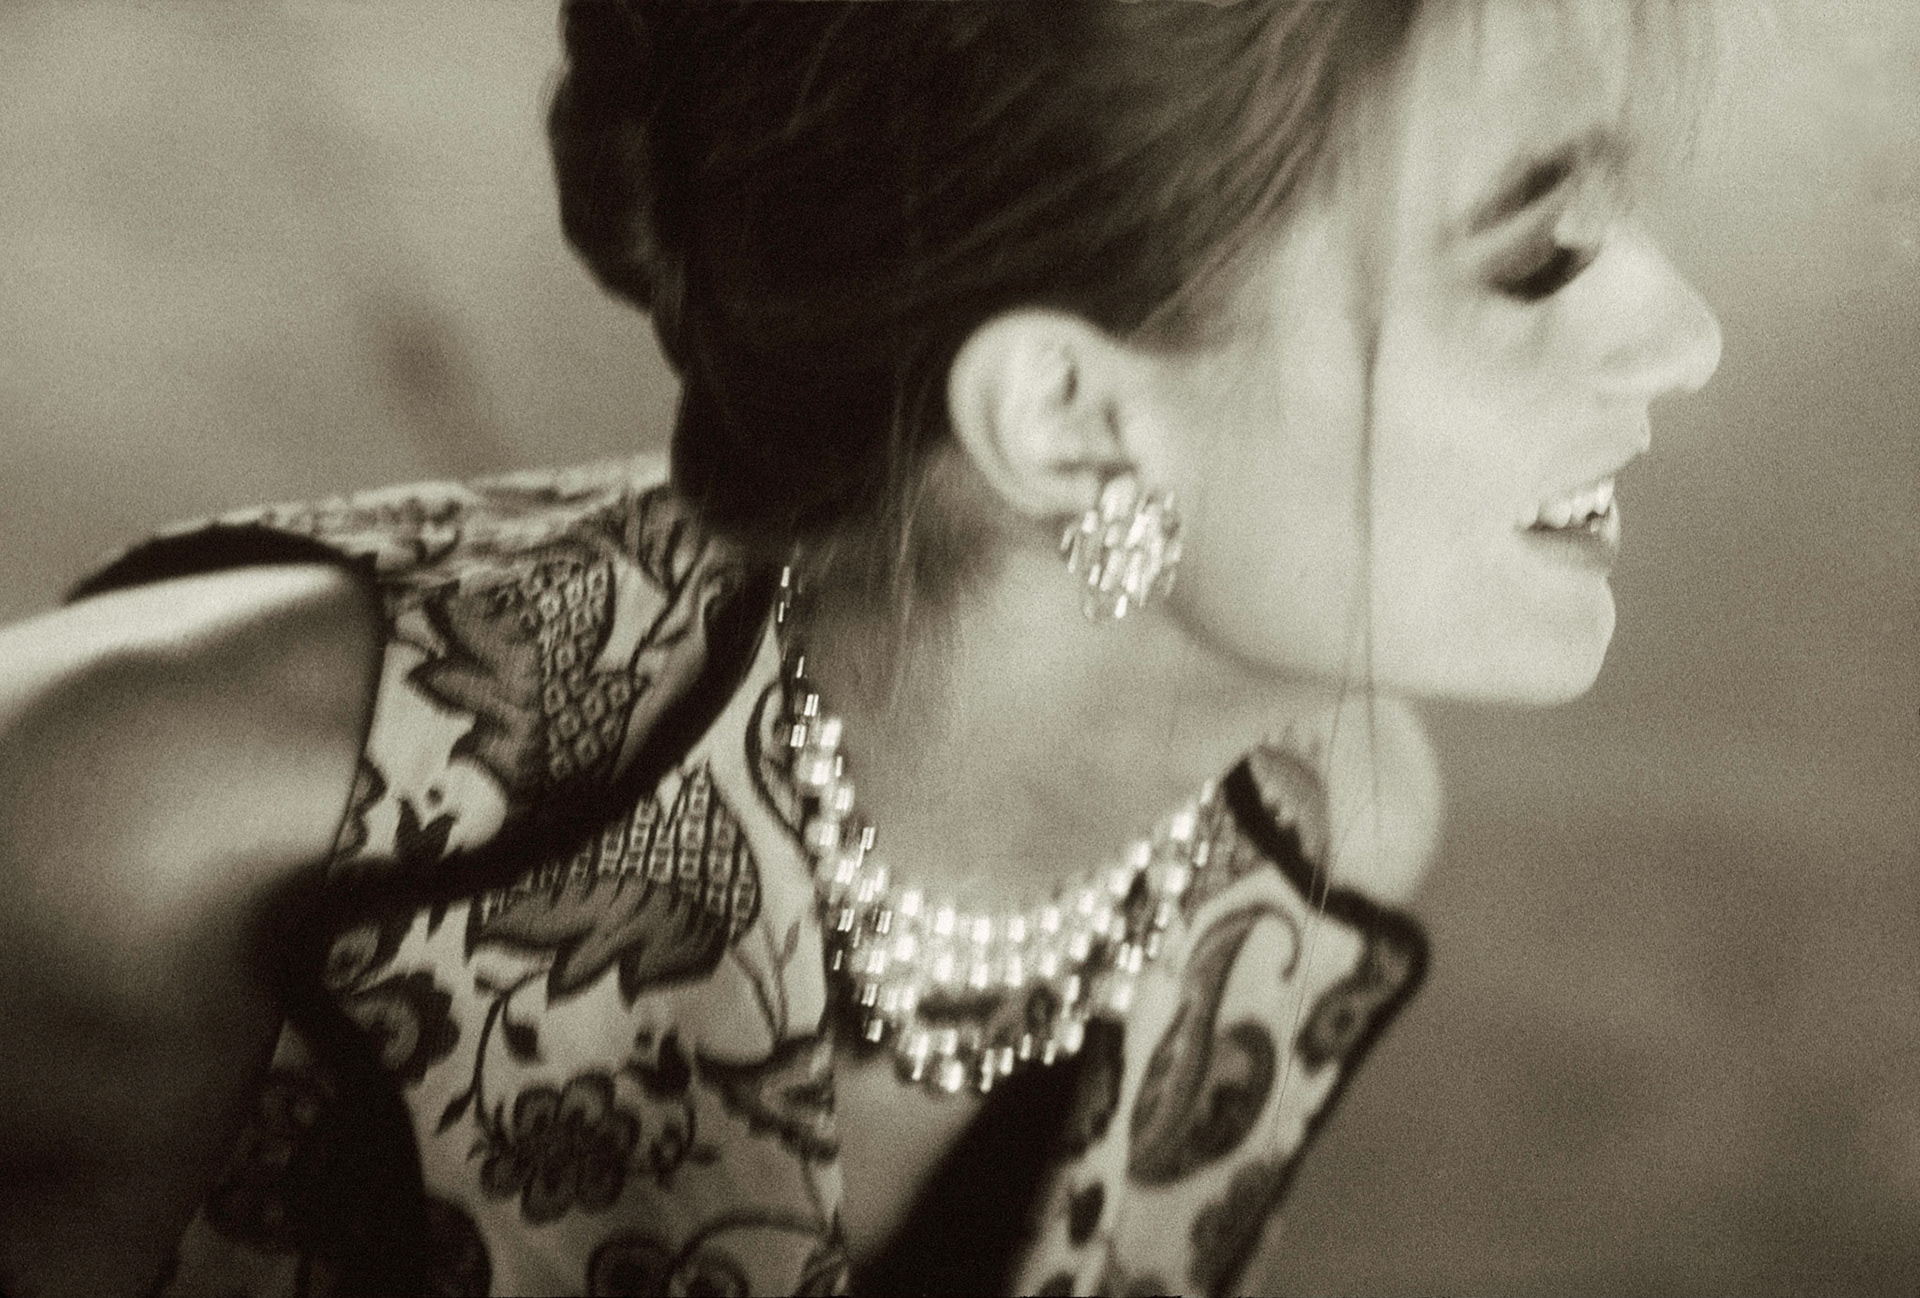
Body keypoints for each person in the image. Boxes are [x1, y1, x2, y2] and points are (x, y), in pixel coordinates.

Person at [0, 0, 1722, 1293]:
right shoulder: (145, 827)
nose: (1689, 337)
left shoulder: (1329, 830)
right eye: (1542, 257)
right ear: (1069, 417)